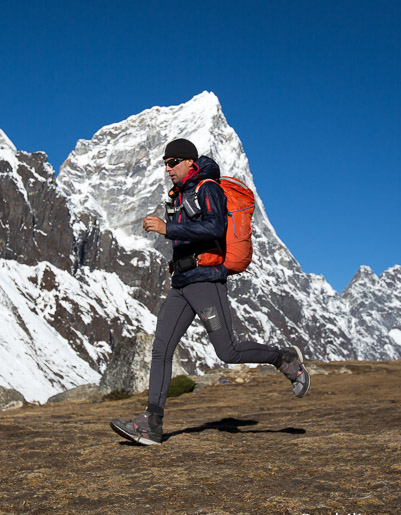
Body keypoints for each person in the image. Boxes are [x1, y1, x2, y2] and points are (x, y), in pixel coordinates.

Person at [110, 138, 310, 446]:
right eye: (165, 163)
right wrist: (176, 260)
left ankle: (283, 359)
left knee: (227, 351)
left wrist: (168, 229)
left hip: (206, 281)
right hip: (182, 283)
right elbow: (190, 237)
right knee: (161, 349)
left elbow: (215, 229)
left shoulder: (208, 189)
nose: (168, 168)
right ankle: (151, 425)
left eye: (173, 162)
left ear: (190, 162)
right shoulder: (178, 195)